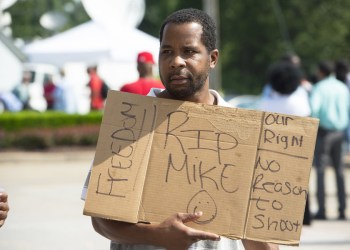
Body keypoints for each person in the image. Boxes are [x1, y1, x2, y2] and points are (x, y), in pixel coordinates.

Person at [82, 8, 279, 250]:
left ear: (213, 58)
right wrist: (156, 235)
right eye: (167, 52)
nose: (176, 61)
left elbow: (261, 240)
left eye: (189, 51)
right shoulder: (129, 124)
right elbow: (101, 222)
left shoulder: (246, 134)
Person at [258, 61, 312, 225]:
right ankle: (305, 216)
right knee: (301, 181)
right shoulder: (300, 101)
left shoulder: (267, 103)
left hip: (273, 147)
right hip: (299, 145)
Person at [310, 61, 350, 220]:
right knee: (339, 171)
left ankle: (322, 210)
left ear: (321, 72)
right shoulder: (342, 87)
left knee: (320, 170)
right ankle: (342, 209)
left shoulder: (319, 88)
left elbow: (314, 109)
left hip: (324, 133)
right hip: (340, 132)